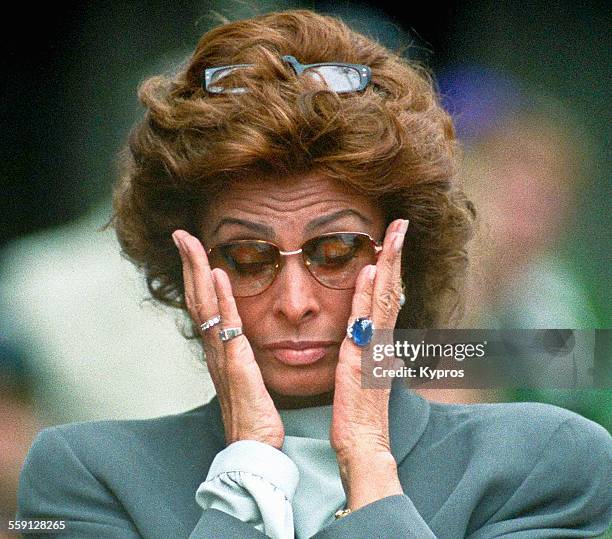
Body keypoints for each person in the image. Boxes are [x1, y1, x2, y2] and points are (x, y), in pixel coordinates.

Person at [16, 9, 612, 538]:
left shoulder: (546, 453)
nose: (294, 301)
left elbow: (574, 360)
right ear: (190, 266)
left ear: (403, 249)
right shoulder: (88, 471)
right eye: (248, 259)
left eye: (336, 252)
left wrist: (370, 459)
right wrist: (249, 468)